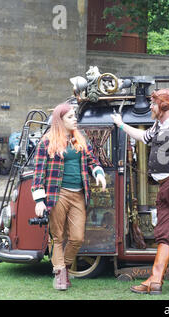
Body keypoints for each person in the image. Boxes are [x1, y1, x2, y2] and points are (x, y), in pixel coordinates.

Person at [111, 88, 169, 294]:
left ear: (163, 106)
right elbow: (143, 137)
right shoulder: (158, 126)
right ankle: (155, 280)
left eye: (153, 103)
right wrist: (121, 125)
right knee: (164, 233)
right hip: (164, 186)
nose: (150, 107)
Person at [31, 102, 106, 291]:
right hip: (57, 194)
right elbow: (38, 173)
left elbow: (91, 160)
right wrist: (39, 200)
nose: (75, 120)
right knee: (57, 237)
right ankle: (60, 275)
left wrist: (98, 172)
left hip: (78, 194)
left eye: (75, 116)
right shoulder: (47, 141)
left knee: (77, 238)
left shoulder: (80, 139)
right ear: (60, 120)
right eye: (71, 117)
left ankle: (61, 268)